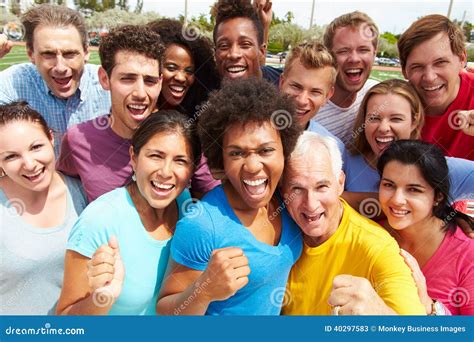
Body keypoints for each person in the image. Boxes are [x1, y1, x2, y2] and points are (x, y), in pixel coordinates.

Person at [157, 78, 303, 315]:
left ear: (284, 150)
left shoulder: (287, 201)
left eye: (266, 150)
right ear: (221, 160)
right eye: (237, 153)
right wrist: (203, 290)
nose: (254, 166)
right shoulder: (202, 224)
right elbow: (166, 313)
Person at [56, 110, 200, 315]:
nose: (166, 172)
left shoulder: (185, 204)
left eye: (180, 161)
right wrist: (103, 299)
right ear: (134, 157)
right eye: (156, 156)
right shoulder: (99, 220)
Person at [280, 132, 425, 315]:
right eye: (297, 189)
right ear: (282, 190)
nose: (311, 203)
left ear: (340, 183)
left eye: (321, 187)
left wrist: (380, 314)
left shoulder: (377, 247)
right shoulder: (274, 227)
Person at [56, 25, 164, 203]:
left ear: (160, 83)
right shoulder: (77, 140)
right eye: (127, 79)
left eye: (150, 81)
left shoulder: (181, 138)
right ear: (105, 79)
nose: (140, 93)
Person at [0, 101, 87, 315]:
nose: (29, 164)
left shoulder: (83, 191)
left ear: (51, 138)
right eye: (11, 156)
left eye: (36, 147)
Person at [378, 140, 474, 315]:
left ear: (438, 196)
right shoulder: (370, 235)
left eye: (413, 190)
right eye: (389, 185)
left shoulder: (468, 255)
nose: (397, 199)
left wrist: (428, 305)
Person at [0, 4, 110, 154]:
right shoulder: (13, 82)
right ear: (31, 54)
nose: (60, 67)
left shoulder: (109, 86)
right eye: (48, 54)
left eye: (70, 53)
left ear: (86, 52)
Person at [345, 79, 473, 205]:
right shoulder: (344, 162)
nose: (383, 128)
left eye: (396, 119)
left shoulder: (442, 169)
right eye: (374, 118)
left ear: (414, 122)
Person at [148, 19, 221, 196]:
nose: (181, 77)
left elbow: (207, 186)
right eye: (171, 67)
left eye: (189, 71)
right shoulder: (135, 114)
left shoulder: (193, 123)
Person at [398, 14, 474, 160]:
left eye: (440, 62)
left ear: (462, 59)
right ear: (404, 71)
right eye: (417, 67)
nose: (430, 77)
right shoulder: (394, 107)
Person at [312, 11, 379, 144]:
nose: (354, 58)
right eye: (343, 51)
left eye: (363, 50)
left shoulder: (376, 95)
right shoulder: (309, 108)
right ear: (329, 56)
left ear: (374, 54)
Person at [278, 41, 345, 152]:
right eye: (296, 86)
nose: (302, 100)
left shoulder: (333, 149)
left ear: (327, 96)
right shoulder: (250, 130)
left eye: (315, 92)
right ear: (282, 83)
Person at [212, 0, 281, 84]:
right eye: (224, 46)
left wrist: (265, 25)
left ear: (262, 51)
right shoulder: (203, 90)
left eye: (245, 45)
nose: (234, 54)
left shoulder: (283, 84)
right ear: (215, 54)